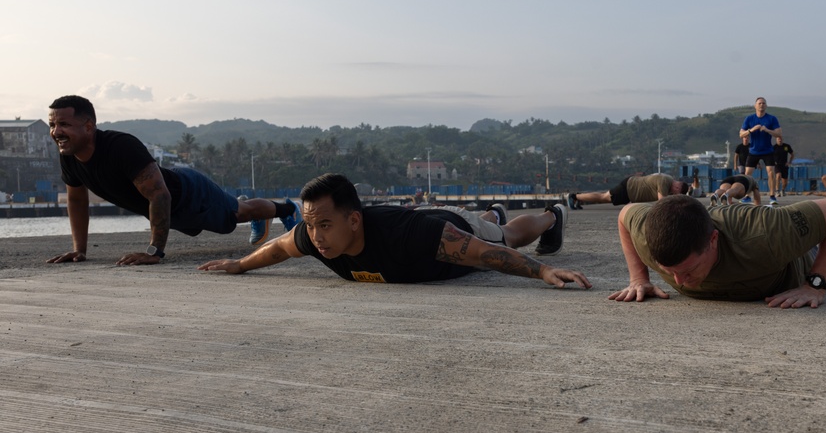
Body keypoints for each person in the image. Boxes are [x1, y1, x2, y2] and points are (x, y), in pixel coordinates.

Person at [199, 173, 591, 289]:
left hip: (445, 226)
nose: (316, 236)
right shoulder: (314, 235)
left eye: (324, 225)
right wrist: (239, 264)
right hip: (422, 218)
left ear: (353, 220)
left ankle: (552, 215)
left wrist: (541, 271)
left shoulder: (413, 236)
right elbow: (279, 248)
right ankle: (491, 213)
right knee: (490, 226)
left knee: (503, 237)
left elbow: (483, 256)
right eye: (311, 224)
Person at [46, 95, 302, 266]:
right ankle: (252, 208)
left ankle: (287, 209)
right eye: (52, 124)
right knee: (235, 209)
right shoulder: (69, 155)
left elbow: (160, 195)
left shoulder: (120, 147)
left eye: (64, 124)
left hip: (190, 193)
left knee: (237, 214)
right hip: (174, 210)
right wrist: (80, 250)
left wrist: (154, 252)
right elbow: (77, 201)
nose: (56, 132)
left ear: (89, 126)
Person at [609, 195, 826, 308]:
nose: (679, 282)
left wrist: (816, 285)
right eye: (668, 272)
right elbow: (625, 213)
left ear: (713, 240)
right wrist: (639, 278)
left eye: (688, 270)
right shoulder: (646, 236)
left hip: (800, 255)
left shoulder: (767, 232)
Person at [739, 97, 782, 205]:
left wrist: (767, 130)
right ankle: (747, 196)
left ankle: (772, 196)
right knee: (747, 174)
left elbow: (779, 134)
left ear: (766, 106)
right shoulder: (749, 119)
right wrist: (751, 130)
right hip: (754, 151)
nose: (761, 105)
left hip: (767, 150)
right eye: (759, 103)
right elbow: (741, 134)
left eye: (763, 103)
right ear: (755, 106)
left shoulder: (772, 119)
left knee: (771, 172)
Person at [567, 174, 689, 209]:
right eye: (676, 193)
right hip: (628, 189)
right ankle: (574, 197)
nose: (674, 194)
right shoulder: (665, 181)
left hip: (631, 190)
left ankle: (578, 198)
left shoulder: (668, 182)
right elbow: (662, 203)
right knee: (603, 197)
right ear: (678, 188)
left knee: (603, 196)